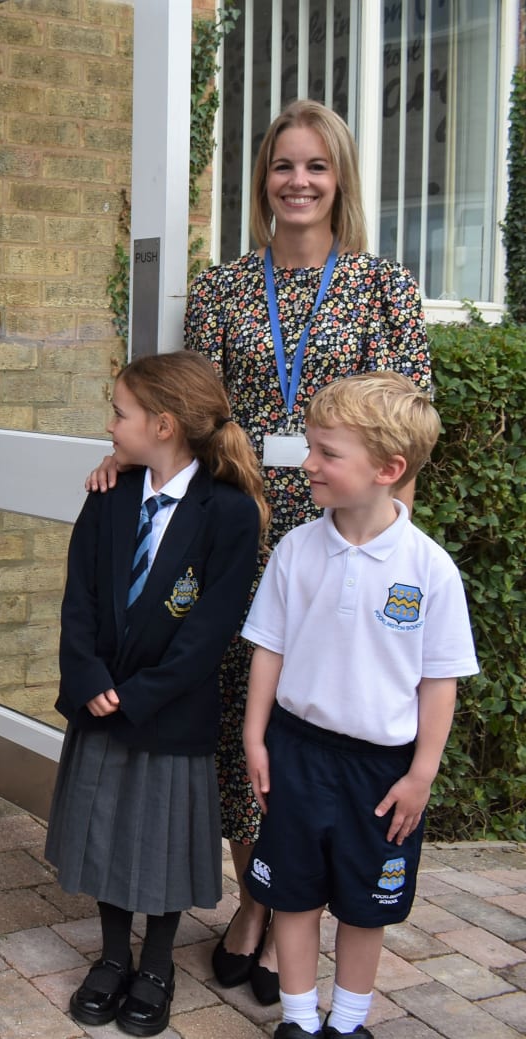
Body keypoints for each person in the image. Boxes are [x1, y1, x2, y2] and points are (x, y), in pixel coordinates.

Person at [86, 99, 431, 1003]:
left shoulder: (385, 287)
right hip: (239, 525)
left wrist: (388, 540)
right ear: (263, 179)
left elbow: (410, 431)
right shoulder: (222, 289)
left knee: (314, 722)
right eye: (284, 165)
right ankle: (259, 898)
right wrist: (123, 451)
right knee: (241, 715)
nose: (299, 181)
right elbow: (185, 408)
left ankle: (285, 912)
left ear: (340, 177)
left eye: (317, 166)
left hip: (337, 533)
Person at [241, 372, 475, 1039]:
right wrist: (256, 737)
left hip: (381, 770)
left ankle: (347, 1024)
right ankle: (295, 1019)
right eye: (311, 446)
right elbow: (269, 649)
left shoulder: (429, 570)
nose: (308, 462)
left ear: (388, 469)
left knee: (365, 902)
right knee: (291, 890)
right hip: (297, 751)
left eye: (326, 452)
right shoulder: (295, 550)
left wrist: (421, 772)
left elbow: (439, 680)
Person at [49, 352, 266, 1037]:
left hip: (171, 714)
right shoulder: (108, 494)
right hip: (101, 703)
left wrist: (140, 693)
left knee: (163, 841)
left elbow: (211, 630)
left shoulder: (228, 514)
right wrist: (89, 679)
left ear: (164, 424)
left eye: (120, 413)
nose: (111, 425)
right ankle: (114, 957)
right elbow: (78, 599)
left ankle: (159, 963)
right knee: (109, 832)